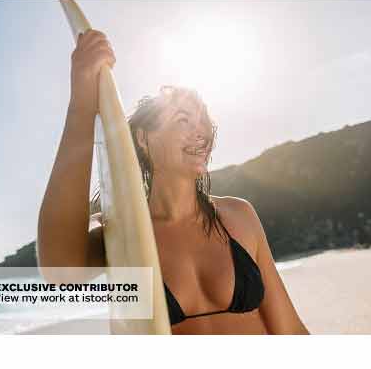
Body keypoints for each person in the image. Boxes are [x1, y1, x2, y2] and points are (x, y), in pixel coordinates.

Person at [35, 30, 306, 334]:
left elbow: (290, 330)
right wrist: (83, 104)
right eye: (182, 120)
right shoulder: (121, 236)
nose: (201, 131)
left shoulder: (239, 217)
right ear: (143, 139)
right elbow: (60, 270)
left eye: (204, 120)